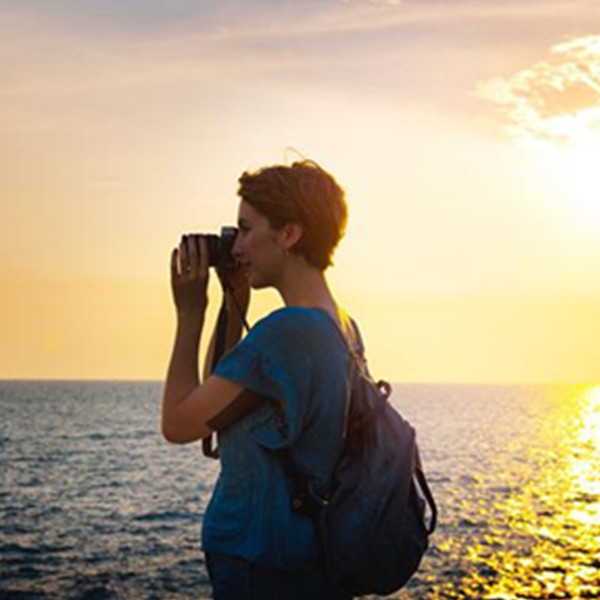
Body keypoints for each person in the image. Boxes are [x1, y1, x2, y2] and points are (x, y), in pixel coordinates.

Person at [161, 160, 363, 599]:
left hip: (260, 566)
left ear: (289, 234)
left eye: (246, 230)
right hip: (306, 562)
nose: (236, 247)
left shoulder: (287, 332)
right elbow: (220, 406)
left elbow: (180, 423)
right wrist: (234, 305)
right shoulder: (341, 326)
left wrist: (189, 313)